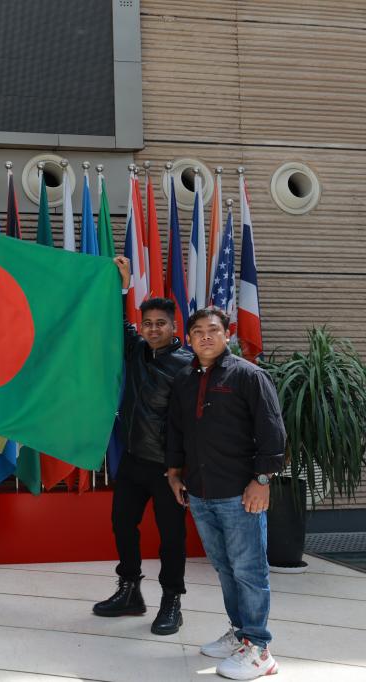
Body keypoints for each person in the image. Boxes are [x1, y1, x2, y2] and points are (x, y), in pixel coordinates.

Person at [167, 307, 285, 680]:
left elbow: (272, 432)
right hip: (200, 493)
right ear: (189, 338)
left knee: (249, 571)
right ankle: (240, 633)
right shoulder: (183, 380)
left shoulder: (249, 376)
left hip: (240, 494)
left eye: (213, 330)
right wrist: (174, 473)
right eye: (197, 331)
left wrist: (261, 480)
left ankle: (260, 649)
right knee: (225, 567)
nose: (205, 336)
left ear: (227, 334)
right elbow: (176, 431)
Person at [92, 257, 193, 635]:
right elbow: (116, 324)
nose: (152, 329)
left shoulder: (187, 365)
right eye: (147, 323)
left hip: (169, 468)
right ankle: (130, 590)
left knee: (171, 538)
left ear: (174, 326)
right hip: (134, 459)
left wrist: (180, 468)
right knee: (122, 524)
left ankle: (172, 601)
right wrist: (123, 286)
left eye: (160, 323)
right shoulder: (137, 350)